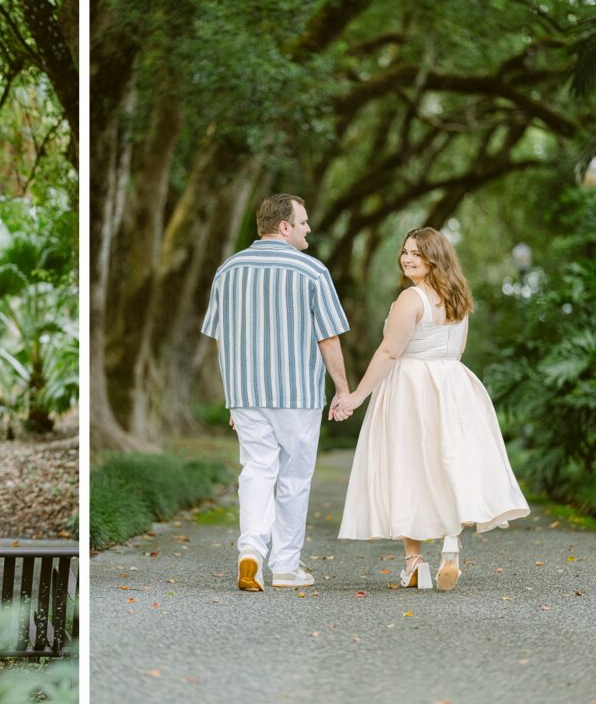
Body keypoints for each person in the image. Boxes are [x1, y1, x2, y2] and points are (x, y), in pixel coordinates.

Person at [335, 228, 529, 591]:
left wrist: (358, 395)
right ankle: (451, 547)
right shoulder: (457, 297)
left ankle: (414, 562)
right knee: (446, 464)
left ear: (434, 259)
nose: (407, 259)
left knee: (409, 468)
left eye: (417, 254)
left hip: (411, 387)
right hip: (452, 385)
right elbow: (457, 350)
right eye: (405, 252)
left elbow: (390, 352)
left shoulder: (412, 298)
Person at [201, 193, 352, 592]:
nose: (308, 229)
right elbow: (329, 337)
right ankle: (285, 568)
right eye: (302, 222)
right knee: (293, 479)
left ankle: (250, 552)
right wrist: (342, 389)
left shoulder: (227, 270)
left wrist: (233, 395)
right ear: (283, 226)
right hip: (298, 394)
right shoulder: (312, 272)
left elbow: (221, 339)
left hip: (247, 393)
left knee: (256, 471)